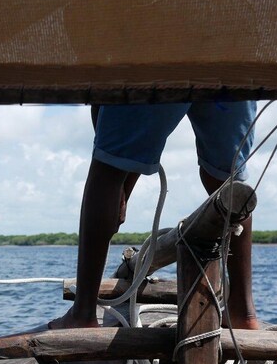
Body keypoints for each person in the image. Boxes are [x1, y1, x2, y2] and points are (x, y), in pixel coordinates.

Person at [51, 102, 260, 331]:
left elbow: (104, 102)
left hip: (160, 69)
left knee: (107, 171)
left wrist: (121, 184)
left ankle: (83, 314)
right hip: (231, 73)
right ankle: (243, 313)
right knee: (227, 181)